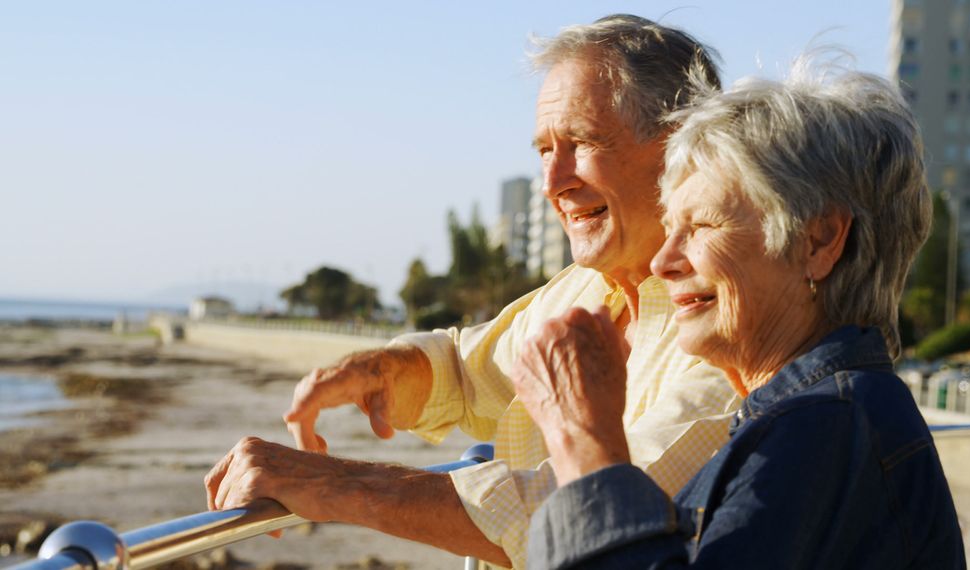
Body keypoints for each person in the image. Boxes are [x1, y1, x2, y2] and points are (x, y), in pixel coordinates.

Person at [204, 15, 739, 568]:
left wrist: (336, 484)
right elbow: (466, 371)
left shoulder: (732, 322)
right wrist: (379, 369)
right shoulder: (585, 289)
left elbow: (589, 511)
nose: (554, 182)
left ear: (681, 145)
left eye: (581, 142)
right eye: (543, 151)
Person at [511, 53, 967, 568]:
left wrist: (584, 435)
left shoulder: (825, 427)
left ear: (818, 240)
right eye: (670, 228)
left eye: (701, 226)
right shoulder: (821, 414)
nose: (663, 261)